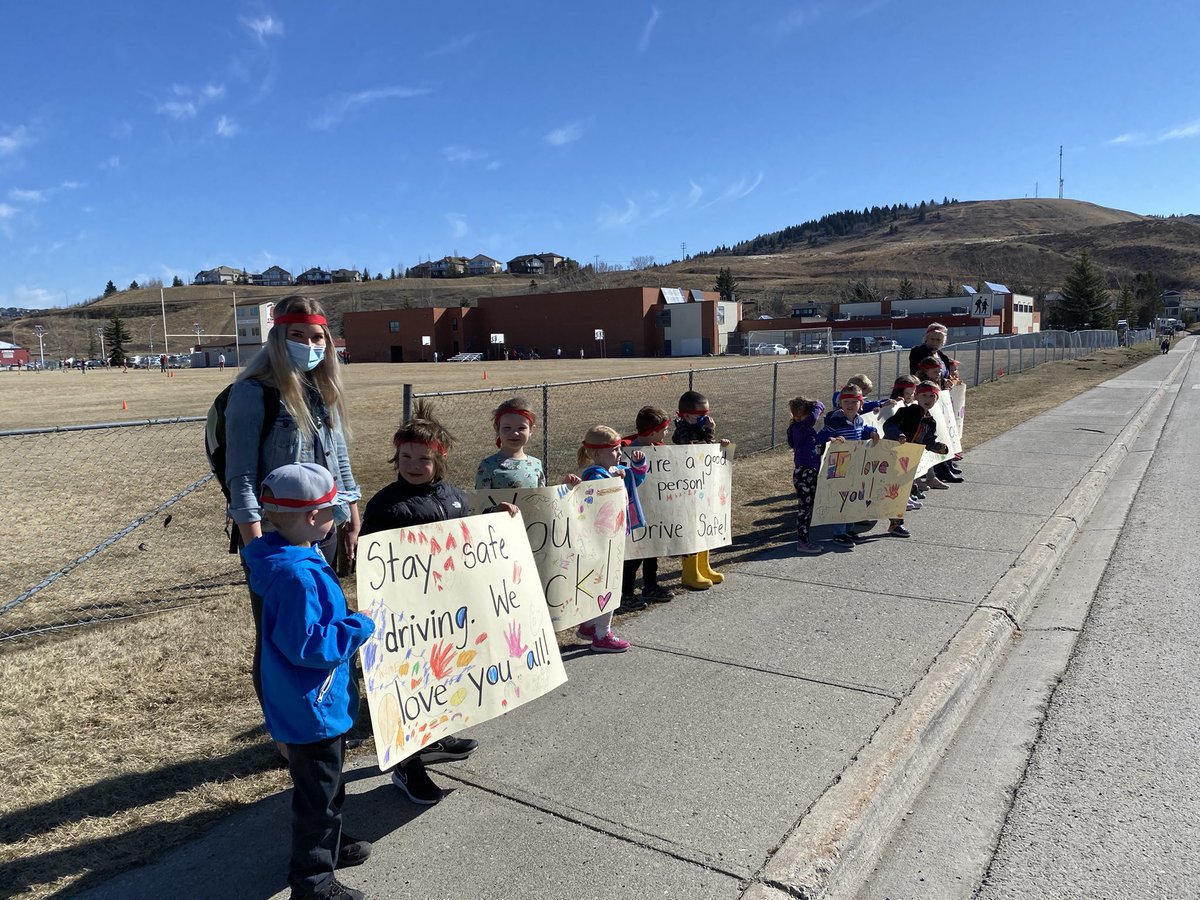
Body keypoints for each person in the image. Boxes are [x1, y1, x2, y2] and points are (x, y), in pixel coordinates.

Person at [224, 296, 363, 762]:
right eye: (297, 336)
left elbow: (338, 458)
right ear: (277, 338)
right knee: (278, 641)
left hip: (321, 528)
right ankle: (288, 738)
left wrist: (350, 512)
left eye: (317, 336)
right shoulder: (254, 393)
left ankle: (325, 716)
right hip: (275, 540)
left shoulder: (322, 390)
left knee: (321, 627)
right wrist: (258, 547)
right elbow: (240, 475)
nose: (308, 345)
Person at [360, 401, 515, 804]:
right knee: (408, 687)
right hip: (406, 618)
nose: (412, 464)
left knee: (440, 677)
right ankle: (406, 765)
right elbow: (371, 564)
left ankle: (434, 738)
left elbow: (469, 539)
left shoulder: (455, 498)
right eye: (405, 457)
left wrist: (498, 518)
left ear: (439, 461)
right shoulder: (386, 506)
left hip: (446, 615)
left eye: (423, 459)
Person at [242, 462, 374, 900]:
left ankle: (330, 845)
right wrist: (357, 627)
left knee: (329, 784)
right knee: (317, 796)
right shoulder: (297, 574)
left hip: (309, 702)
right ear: (313, 517)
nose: (337, 520)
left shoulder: (289, 555)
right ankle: (313, 880)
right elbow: (310, 647)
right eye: (332, 513)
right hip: (311, 707)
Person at [575, 426, 647, 652]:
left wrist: (636, 466)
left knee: (604, 581)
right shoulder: (594, 475)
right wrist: (612, 481)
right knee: (608, 583)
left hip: (613, 536)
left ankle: (589, 625)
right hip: (602, 538)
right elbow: (594, 500)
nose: (619, 454)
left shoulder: (614, 469)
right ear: (596, 454)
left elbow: (637, 480)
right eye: (614, 450)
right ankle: (602, 635)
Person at [672, 390, 730, 589]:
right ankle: (690, 572)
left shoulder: (696, 429)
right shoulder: (684, 433)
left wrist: (719, 446)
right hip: (688, 489)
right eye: (701, 415)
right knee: (692, 530)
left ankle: (703, 566)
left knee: (704, 526)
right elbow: (697, 453)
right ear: (686, 416)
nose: (706, 418)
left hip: (701, 487)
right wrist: (709, 433)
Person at [620, 406, 675, 605]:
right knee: (633, 555)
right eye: (664, 429)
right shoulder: (624, 450)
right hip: (633, 512)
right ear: (653, 432)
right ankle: (626, 592)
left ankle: (650, 585)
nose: (667, 433)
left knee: (652, 550)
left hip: (654, 509)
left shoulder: (659, 449)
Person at [882, 382, 949, 538]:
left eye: (932, 396)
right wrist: (898, 434)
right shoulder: (906, 412)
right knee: (892, 490)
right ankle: (892, 522)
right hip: (892, 455)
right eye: (924, 395)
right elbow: (889, 425)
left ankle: (895, 524)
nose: (928, 399)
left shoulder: (930, 421)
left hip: (909, 461)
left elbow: (928, 442)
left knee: (899, 492)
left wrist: (937, 447)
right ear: (916, 396)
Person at [817, 385, 881, 547]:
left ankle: (849, 528)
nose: (850, 405)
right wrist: (832, 437)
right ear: (840, 403)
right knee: (842, 498)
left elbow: (863, 430)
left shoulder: (859, 420)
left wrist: (872, 432)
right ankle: (839, 532)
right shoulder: (835, 420)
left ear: (861, 404)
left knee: (854, 497)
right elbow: (822, 435)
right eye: (846, 402)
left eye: (854, 402)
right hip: (840, 466)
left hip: (857, 464)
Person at [787, 396, 826, 555]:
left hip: (811, 471)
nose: (812, 417)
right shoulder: (800, 427)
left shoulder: (806, 429)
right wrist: (815, 405)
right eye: (806, 414)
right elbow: (818, 409)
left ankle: (806, 539)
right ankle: (802, 542)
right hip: (804, 473)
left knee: (809, 508)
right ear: (797, 416)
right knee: (805, 508)